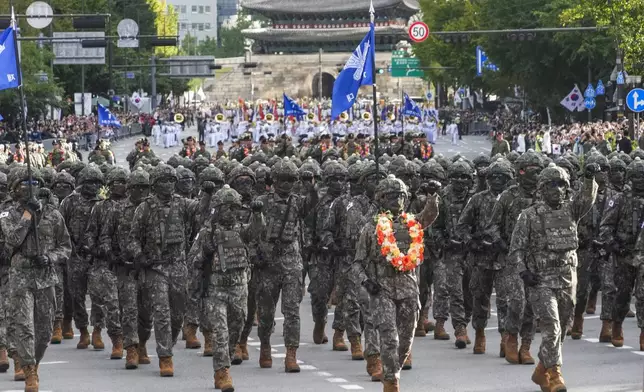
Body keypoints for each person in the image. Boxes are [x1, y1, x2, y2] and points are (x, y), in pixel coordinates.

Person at [510, 161, 597, 392]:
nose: (557, 189)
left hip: (567, 279)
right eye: (551, 184)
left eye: (561, 184)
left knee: (564, 328)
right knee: (552, 327)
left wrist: (589, 178)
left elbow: (587, 199)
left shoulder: (571, 210)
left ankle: (541, 369)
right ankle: (556, 375)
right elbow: (516, 249)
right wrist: (524, 272)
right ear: (541, 189)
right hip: (541, 281)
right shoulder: (529, 216)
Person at [352, 174, 439, 392]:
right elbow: (357, 264)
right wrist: (366, 282)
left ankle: (393, 370)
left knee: (406, 339)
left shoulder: (412, 224)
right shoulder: (371, 229)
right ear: (381, 199)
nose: (396, 201)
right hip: (382, 290)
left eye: (400, 196)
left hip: (408, 288)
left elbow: (430, 215)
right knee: (389, 337)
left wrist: (432, 197)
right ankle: (391, 381)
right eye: (391, 196)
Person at [1, 166, 72, 392]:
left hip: (45, 277)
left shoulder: (53, 214)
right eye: (25, 183)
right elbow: (12, 239)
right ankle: (28, 370)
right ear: (14, 188)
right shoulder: (7, 213)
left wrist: (50, 257)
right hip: (20, 277)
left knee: (44, 330)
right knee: (24, 327)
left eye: (35, 184)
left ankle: (35, 362)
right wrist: (27, 215)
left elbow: (66, 247)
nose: (32, 188)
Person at [188, 185, 263, 391]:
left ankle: (228, 356)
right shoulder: (207, 233)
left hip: (239, 290)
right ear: (217, 209)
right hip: (216, 291)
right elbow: (192, 260)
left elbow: (256, 231)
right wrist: (205, 252)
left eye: (234, 208)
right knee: (220, 332)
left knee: (236, 328)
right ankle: (222, 372)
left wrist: (257, 214)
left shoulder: (241, 231)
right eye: (226, 208)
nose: (231, 212)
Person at [128, 163, 194, 377]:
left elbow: (201, 210)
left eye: (171, 181)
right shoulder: (144, 208)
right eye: (163, 181)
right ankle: (165, 356)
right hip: (155, 268)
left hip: (178, 267)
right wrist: (139, 255)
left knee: (178, 314)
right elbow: (133, 238)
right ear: (155, 185)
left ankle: (169, 343)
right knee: (161, 313)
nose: (168, 185)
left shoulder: (182, 204)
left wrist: (210, 194)